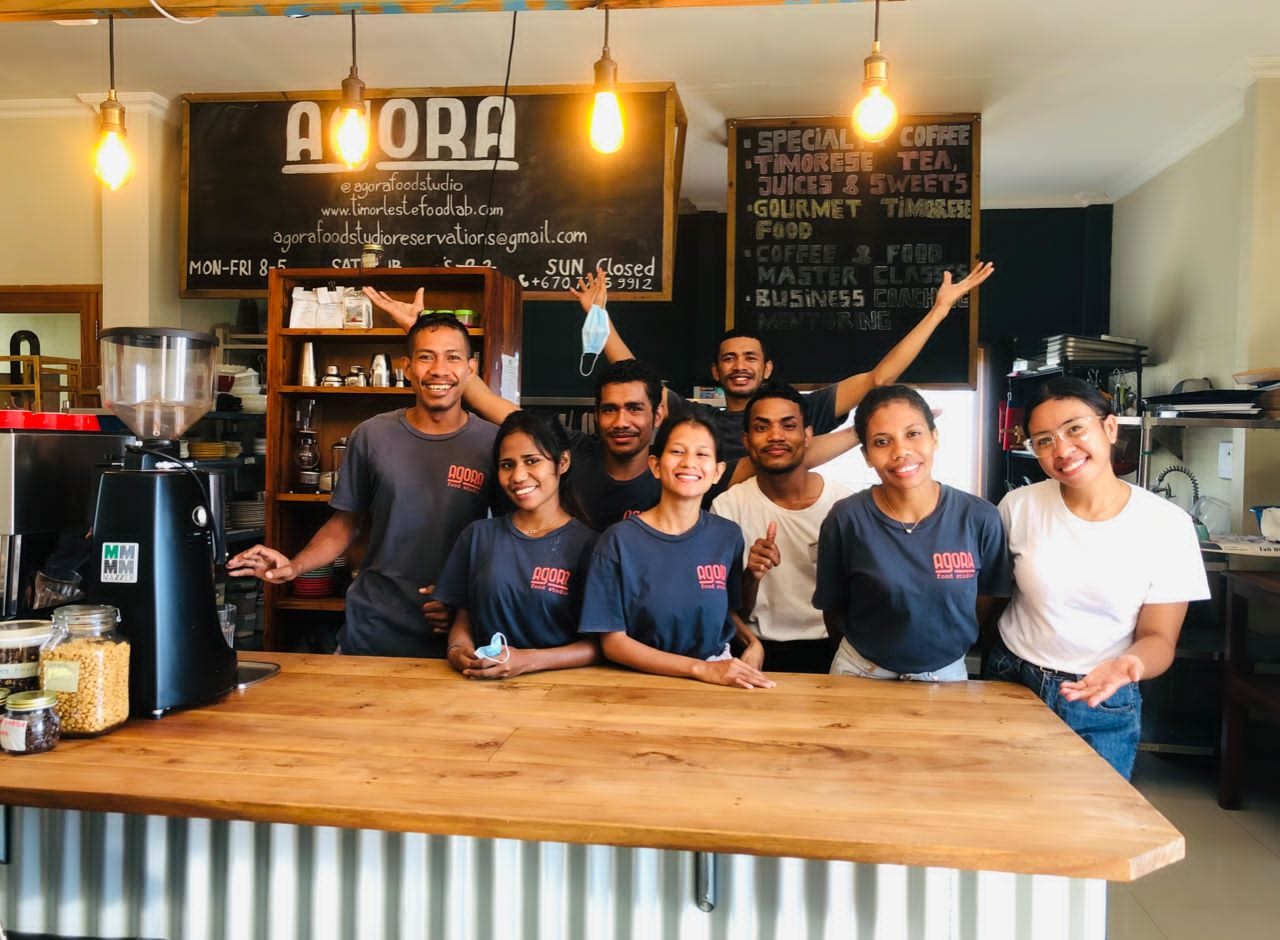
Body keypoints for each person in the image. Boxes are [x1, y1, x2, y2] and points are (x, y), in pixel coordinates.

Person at [226, 313, 498, 657]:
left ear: (472, 369)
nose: (439, 370)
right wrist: (294, 567)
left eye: (453, 357)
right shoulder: (372, 435)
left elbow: (509, 537)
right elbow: (345, 524)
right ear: (407, 367)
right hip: (373, 625)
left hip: (456, 633)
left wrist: (464, 603)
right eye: (426, 357)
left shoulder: (493, 443)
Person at [984, 377, 1209, 779]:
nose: (1062, 449)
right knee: (1002, 805)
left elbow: (1159, 638)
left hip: (1100, 697)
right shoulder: (1018, 507)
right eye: (1044, 440)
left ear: (1109, 427)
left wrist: (1128, 665)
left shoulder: (1167, 525)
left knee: (1093, 814)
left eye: (1074, 429)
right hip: (1011, 680)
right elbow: (992, 597)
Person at [570, 261, 996, 471]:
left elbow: (879, 378)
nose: (740, 366)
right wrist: (597, 316)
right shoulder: (695, 418)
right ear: (716, 372)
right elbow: (635, 379)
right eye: (729, 359)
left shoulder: (797, 413)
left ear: (767, 368)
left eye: (750, 358)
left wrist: (940, 310)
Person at [813, 384, 1012, 681]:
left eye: (913, 434)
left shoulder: (979, 517)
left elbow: (987, 601)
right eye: (882, 442)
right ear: (866, 455)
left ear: (935, 437)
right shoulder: (846, 518)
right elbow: (833, 607)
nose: (901, 451)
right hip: (860, 671)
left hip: (946, 674)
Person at [579, 414, 774, 689]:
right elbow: (613, 643)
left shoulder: (728, 536)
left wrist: (752, 642)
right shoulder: (618, 541)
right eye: (677, 452)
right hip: (637, 683)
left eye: (702, 454)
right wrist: (699, 669)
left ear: (718, 472)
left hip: (715, 682)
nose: (689, 463)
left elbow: (726, 610)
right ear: (655, 465)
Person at [434, 411, 599, 679]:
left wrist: (527, 661)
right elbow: (464, 618)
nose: (518, 476)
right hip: (482, 689)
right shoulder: (478, 536)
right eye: (507, 465)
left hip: (562, 692)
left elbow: (599, 645)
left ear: (563, 462)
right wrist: (458, 650)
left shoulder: (591, 546)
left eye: (532, 461)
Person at [711, 382, 852, 674]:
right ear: (746, 440)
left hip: (835, 650)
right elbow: (725, 610)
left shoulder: (844, 505)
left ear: (808, 435)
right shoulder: (727, 507)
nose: (775, 436)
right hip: (756, 650)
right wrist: (751, 576)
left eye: (788, 426)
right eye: (762, 427)